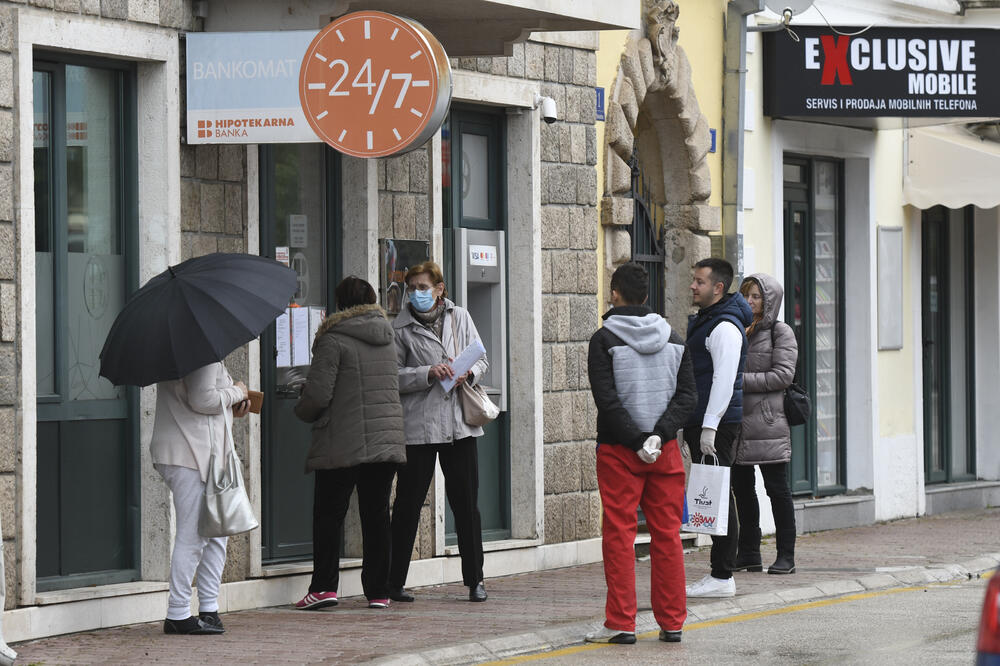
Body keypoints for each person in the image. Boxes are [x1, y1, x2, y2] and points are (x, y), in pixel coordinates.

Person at [584, 263, 697, 645]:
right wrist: (659, 435)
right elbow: (688, 397)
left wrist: (635, 440)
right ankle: (672, 622)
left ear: (614, 294)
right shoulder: (675, 339)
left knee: (619, 534)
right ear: (647, 296)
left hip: (619, 451)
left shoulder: (604, 340)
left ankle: (621, 622)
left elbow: (607, 399)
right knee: (667, 536)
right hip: (664, 451)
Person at [293, 277, 407, 610]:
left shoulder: (332, 338)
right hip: (385, 440)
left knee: (329, 515)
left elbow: (319, 394)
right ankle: (379, 592)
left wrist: (302, 406)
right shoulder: (387, 337)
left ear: (340, 304)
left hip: (342, 440)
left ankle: (324, 588)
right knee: (376, 516)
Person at [389, 261, 490, 603]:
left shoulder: (459, 317)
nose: (417, 293)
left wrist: (469, 374)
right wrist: (427, 373)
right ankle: (394, 582)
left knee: (466, 506)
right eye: (412, 287)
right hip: (419, 426)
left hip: (459, 425)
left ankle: (475, 580)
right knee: (407, 505)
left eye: (423, 287)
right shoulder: (400, 327)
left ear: (439, 289)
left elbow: (481, 358)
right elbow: (393, 376)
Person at [151, 361, 251, 634]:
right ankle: (178, 613)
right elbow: (202, 399)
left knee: (216, 532)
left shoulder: (186, 350)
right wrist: (238, 391)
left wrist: (231, 405)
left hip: (198, 454)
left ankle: (209, 608)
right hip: (191, 455)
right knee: (194, 535)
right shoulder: (201, 354)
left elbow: (202, 400)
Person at [682, 257, 752, 599]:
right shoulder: (709, 320)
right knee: (712, 493)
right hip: (704, 421)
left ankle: (722, 575)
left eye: (700, 281)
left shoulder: (724, 326)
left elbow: (723, 380)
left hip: (716, 425)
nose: (693, 286)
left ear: (718, 287)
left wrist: (709, 426)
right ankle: (720, 573)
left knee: (718, 494)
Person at [732, 274, 798, 575]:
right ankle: (749, 553)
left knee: (777, 490)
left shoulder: (780, 332)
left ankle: (786, 556)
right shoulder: (738, 328)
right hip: (738, 423)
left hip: (768, 423)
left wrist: (739, 381)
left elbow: (783, 375)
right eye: (746, 295)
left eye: (756, 296)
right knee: (742, 490)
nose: (749, 301)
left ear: (769, 301)